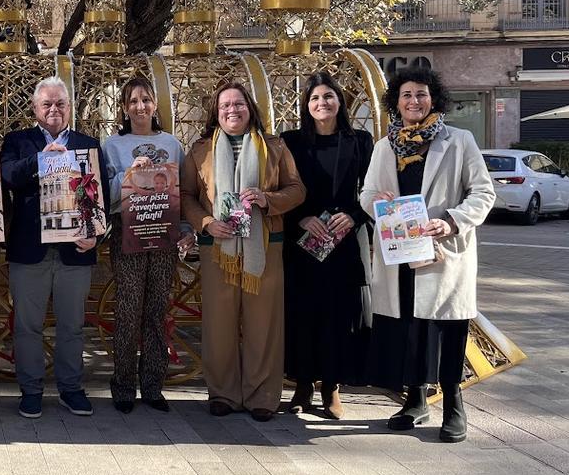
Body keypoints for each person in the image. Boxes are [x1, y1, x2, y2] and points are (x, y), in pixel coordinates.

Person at [360, 66, 495, 443]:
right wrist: (377, 204)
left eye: (421, 94)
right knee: (409, 328)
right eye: (406, 95)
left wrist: (452, 221)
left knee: (447, 329)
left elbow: (483, 193)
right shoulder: (384, 146)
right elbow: (366, 195)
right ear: (396, 103)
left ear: (433, 98)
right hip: (400, 251)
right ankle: (415, 399)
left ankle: (454, 404)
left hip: (443, 251)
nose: (414, 101)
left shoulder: (459, 140)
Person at [180, 81, 305, 421]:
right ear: (215, 113)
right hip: (216, 247)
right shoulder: (200, 151)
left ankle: (262, 396)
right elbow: (187, 196)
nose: (232, 110)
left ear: (250, 108)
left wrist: (269, 199)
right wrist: (205, 222)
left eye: (238, 104)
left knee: (263, 324)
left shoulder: (275, 147)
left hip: (264, 246)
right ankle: (222, 393)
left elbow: (297, 190)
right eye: (225, 106)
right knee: (218, 324)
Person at [0, 76, 106, 419]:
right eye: (47, 104)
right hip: (29, 250)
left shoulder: (88, 144)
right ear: (35, 108)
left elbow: (99, 194)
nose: (54, 110)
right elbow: (9, 177)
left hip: (75, 251)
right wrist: (41, 159)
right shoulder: (18, 141)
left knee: (72, 325)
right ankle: (30, 390)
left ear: (70, 108)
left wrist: (96, 235)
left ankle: (71, 388)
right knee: (27, 325)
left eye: (60, 103)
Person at [281, 74, 374, 419]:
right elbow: (280, 187)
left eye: (329, 96)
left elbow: (373, 190)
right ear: (306, 106)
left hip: (343, 242)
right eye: (315, 98)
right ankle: (302, 384)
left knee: (339, 315)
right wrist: (301, 218)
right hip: (302, 243)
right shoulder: (290, 142)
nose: (322, 103)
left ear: (340, 102)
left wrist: (353, 215)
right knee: (303, 313)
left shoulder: (361, 141)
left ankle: (332, 388)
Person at [100, 76, 191, 413]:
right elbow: (106, 198)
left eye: (146, 99)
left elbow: (182, 191)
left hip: (164, 232)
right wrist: (129, 175)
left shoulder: (172, 144)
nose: (140, 106)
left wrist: (185, 229)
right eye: (133, 100)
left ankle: (153, 386)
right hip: (129, 231)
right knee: (127, 310)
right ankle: (123, 387)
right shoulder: (112, 146)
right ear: (124, 108)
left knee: (156, 311)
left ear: (155, 105)